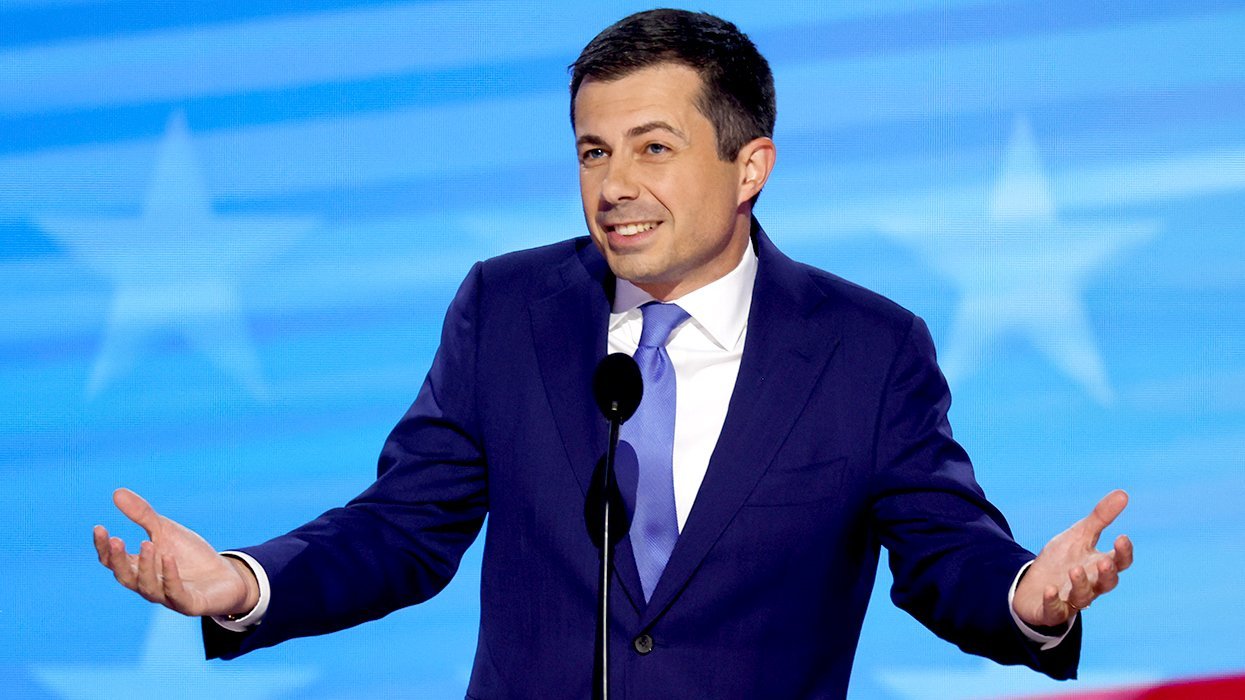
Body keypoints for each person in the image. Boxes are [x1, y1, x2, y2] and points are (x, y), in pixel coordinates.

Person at [94, 9, 1133, 698]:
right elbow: (404, 528)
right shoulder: (507, 309)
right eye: (593, 150)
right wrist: (241, 584)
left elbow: (944, 553)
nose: (613, 185)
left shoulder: (866, 348)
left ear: (750, 166)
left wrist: (1024, 599)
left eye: (653, 147)